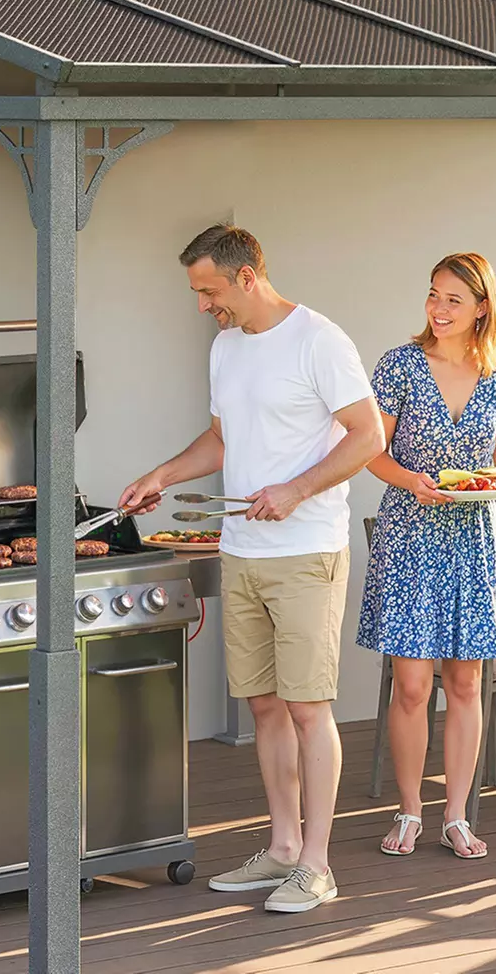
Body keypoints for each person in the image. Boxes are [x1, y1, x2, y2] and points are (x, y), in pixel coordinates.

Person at [119, 225, 383, 913]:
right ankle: (284, 847)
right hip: (241, 552)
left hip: (306, 552)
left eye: (209, 291)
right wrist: (162, 474)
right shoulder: (226, 347)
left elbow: (368, 435)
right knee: (263, 704)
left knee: (306, 706)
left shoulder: (320, 341)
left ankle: (318, 866)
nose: (205, 305)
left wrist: (296, 489)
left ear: (245, 276)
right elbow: (222, 437)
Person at [355, 253, 496, 861]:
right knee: (410, 685)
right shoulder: (400, 364)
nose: (438, 308)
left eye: (454, 299)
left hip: (473, 538)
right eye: (434, 295)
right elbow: (368, 452)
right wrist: (409, 480)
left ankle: (456, 816)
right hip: (409, 532)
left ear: (482, 307)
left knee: (465, 680)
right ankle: (409, 810)